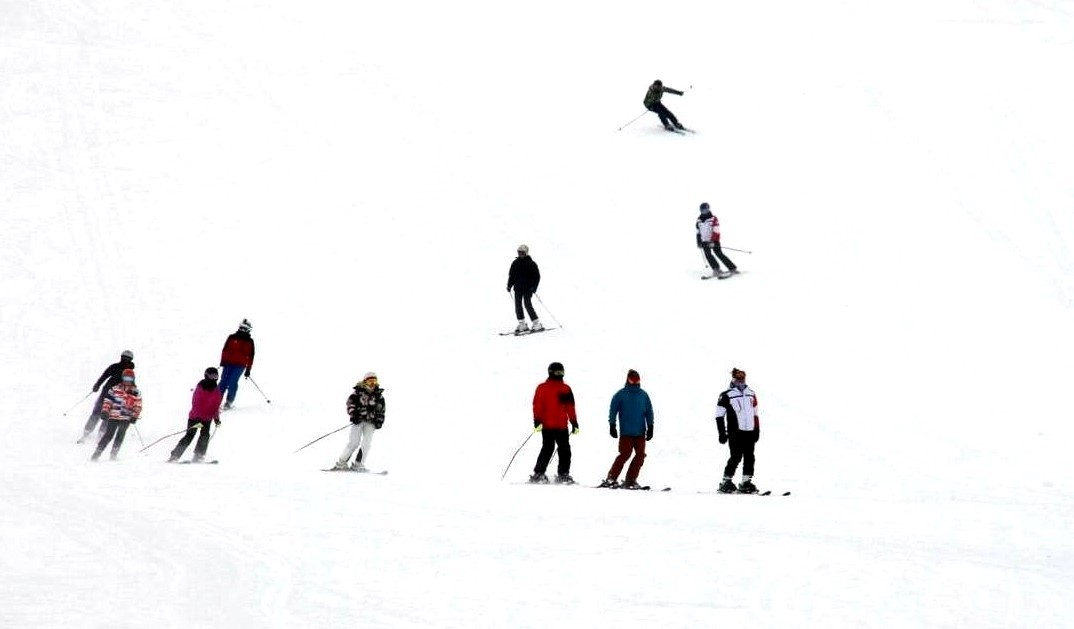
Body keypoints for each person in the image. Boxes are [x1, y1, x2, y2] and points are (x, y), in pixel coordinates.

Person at [601, 369, 655, 489]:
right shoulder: (621, 394)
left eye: (637, 380)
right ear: (627, 380)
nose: (635, 382)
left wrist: (650, 426)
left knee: (640, 455)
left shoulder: (643, 395)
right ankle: (611, 478)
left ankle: (630, 480)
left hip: (640, 432)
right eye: (632, 380)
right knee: (625, 454)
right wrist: (612, 425)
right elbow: (613, 409)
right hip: (626, 432)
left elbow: (649, 411)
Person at [530, 362, 579, 484]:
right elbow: (537, 405)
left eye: (561, 372)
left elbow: (570, 407)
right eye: (557, 372)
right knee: (548, 448)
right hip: (547, 425)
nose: (560, 374)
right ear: (550, 372)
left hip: (562, 426)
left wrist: (574, 422)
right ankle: (539, 473)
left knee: (565, 450)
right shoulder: (542, 387)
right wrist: (537, 421)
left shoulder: (566, 388)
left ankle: (563, 474)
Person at [714, 367, 760, 493]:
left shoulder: (751, 393)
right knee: (736, 456)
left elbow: (755, 413)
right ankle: (726, 481)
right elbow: (719, 415)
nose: (741, 380)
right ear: (733, 379)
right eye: (738, 378)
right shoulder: (726, 395)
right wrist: (722, 433)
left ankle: (746, 482)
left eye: (742, 378)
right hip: (735, 432)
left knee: (750, 457)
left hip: (749, 431)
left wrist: (757, 430)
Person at [168, 367, 224, 463]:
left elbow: (216, 407)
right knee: (190, 435)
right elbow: (196, 404)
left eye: (215, 376)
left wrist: (216, 419)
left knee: (205, 435)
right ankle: (175, 456)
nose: (213, 378)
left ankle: (199, 455)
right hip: (195, 418)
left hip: (207, 419)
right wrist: (199, 419)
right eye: (211, 376)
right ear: (206, 376)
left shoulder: (217, 391)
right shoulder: (200, 388)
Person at [332, 372, 386, 471]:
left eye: (374, 381)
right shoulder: (358, 393)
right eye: (370, 381)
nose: (372, 384)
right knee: (354, 442)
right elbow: (350, 404)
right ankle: (341, 463)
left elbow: (382, 410)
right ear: (365, 381)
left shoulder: (379, 396)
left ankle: (358, 464)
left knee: (366, 444)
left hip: (371, 422)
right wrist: (354, 414)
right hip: (358, 421)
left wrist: (379, 420)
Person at [79, 350, 135, 443]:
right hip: (106, 392)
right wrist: (97, 385)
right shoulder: (115, 367)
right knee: (97, 411)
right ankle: (87, 432)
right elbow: (104, 376)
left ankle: (101, 434)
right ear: (121, 357)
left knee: (109, 414)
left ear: (130, 360)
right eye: (123, 358)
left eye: (127, 359)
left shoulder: (129, 371)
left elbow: (131, 384)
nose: (125, 360)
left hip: (118, 396)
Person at [92, 368, 143, 461]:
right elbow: (108, 401)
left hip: (126, 418)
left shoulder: (136, 392)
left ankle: (113, 454)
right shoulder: (114, 389)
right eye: (126, 379)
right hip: (113, 416)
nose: (128, 381)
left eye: (130, 379)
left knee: (120, 435)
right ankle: (97, 453)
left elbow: (138, 405)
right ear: (122, 379)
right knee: (108, 434)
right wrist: (105, 411)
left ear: (133, 379)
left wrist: (134, 416)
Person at [506, 244, 543, 335]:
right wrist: (509, 285)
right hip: (518, 288)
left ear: (526, 253)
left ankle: (536, 323)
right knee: (518, 306)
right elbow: (512, 276)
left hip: (528, 289)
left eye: (522, 252)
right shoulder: (515, 263)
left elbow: (536, 277)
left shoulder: (531, 263)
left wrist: (533, 288)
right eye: (519, 252)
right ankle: (522, 324)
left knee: (527, 304)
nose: (520, 254)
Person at [219, 319, 255, 410]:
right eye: (242, 328)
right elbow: (225, 350)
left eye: (245, 328)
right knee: (223, 382)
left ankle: (229, 402)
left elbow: (251, 356)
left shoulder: (250, 341)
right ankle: (216, 401)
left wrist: (248, 369)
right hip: (228, 363)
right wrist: (223, 361)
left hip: (240, 366)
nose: (243, 330)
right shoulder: (232, 337)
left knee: (232, 382)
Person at [696, 202, 738, 278]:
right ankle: (716, 269)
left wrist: (712, 241)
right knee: (708, 255)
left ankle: (732, 268)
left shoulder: (713, 218)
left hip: (714, 240)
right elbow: (698, 231)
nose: (704, 212)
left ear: (708, 209)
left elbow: (716, 230)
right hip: (704, 241)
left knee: (719, 254)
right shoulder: (698, 220)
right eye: (702, 211)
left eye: (705, 210)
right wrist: (699, 241)